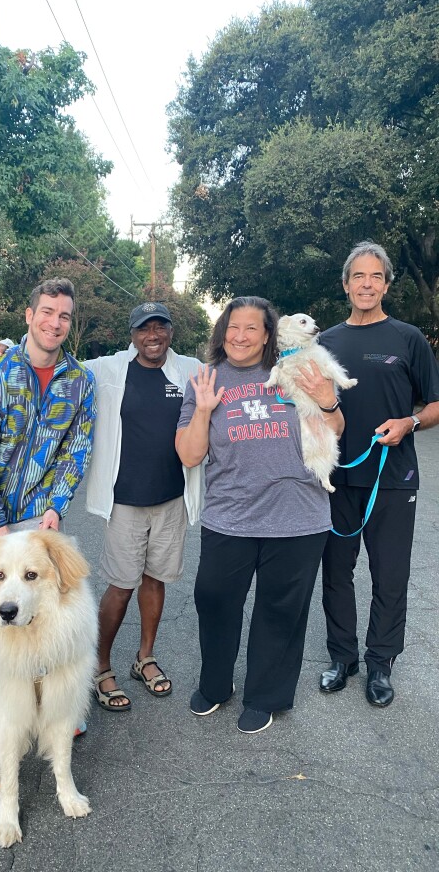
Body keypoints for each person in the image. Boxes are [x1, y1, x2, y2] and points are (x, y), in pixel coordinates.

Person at [176, 296, 342, 734]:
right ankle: (216, 684)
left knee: (280, 609)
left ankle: (265, 694)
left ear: (268, 334)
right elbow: (190, 454)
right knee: (213, 598)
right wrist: (206, 409)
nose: (240, 336)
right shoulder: (208, 379)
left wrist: (327, 400)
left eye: (251, 328)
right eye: (233, 327)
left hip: (299, 515)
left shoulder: (295, 369)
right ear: (221, 331)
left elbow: (334, 430)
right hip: (230, 515)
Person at [318, 242, 439, 707]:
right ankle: (342, 656)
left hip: (393, 478)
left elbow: (434, 403)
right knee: (336, 572)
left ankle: (381, 662)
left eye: (376, 276)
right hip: (339, 478)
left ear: (387, 284)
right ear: (346, 285)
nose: (367, 284)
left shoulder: (408, 338)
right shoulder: (326, 342)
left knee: (390, 574)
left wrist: (410, 422)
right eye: (358, 277)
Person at [83, 302, 201, 711]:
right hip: (125, 501)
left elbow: (237, 375)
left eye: (160, 327)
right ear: (132, 335)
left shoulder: (189, 370)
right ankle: (100, 666)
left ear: (171, 331)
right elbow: (59, 359)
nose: (153, 335)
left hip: (171, 498)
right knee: (120, 586)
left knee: (155, 581)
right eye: (144, 329)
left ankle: (144, 658)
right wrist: (12, 343)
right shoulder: (110, 369)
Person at [0, 276, 96, 537]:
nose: (55, 323)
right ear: (29, 315)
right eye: (47, 312)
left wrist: (57, 507)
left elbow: (75, 451)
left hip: (42, 518)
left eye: (64, 316)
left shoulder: (81, 380)